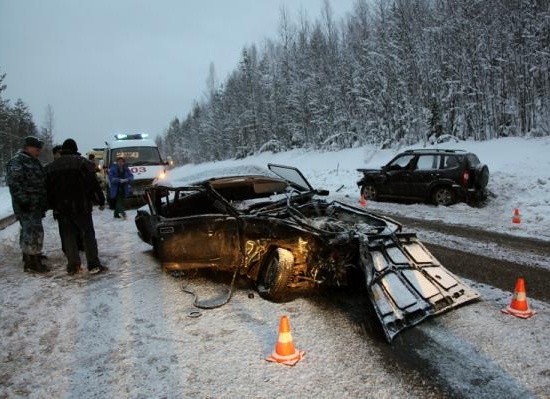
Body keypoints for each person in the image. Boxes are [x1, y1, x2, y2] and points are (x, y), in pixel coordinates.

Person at [46, 138, 108, 275]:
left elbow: (47, 189)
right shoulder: (83, 163)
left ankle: (73, 266)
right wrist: (100, 200)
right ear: (75, 148)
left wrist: (50, 206)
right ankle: (93, 265)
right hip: (81, 206)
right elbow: (93, 184)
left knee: (68, 237)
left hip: (62, 208)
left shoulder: (51, 167)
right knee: (87, 235)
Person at [5, 136, 50, 273]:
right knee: (33, 232)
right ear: (28, 147)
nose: (38, 151)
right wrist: (24, 201)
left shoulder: (33, 161)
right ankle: (32, 262)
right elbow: (14, 184)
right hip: (27, 205)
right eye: (36, 148)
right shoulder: (18, 162)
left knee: (30, 231)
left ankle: (31, 255)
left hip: (35, 204)